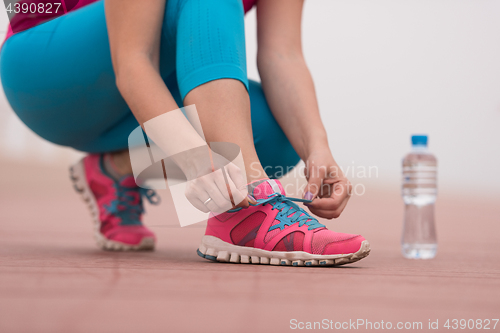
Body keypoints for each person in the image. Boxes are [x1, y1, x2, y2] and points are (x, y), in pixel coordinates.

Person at [0, 0, 370, 266]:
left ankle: (115, 170)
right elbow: (132, 62)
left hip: (132, 95)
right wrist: (198, 160)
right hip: (46, 74)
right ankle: (249, 206)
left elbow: (282, 54)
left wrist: (318, 150)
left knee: (278, 133)